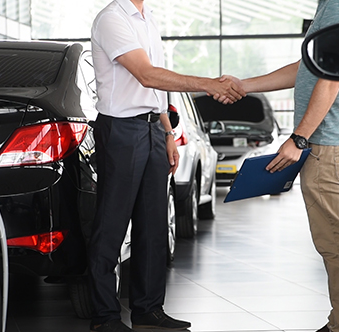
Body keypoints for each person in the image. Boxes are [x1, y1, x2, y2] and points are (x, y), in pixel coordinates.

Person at [88, 1, 245, 331]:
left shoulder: (149, 20)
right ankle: (105, 317)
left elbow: (159, 85)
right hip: (121, 129)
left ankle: (148, 308)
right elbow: (146, 75)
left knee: (154, 223)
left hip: (151, 129)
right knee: (112, 224)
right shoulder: (112, 19)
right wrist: (208, 84)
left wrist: (168, 132)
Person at [227, 1, 339, 331]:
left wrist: (299, 138)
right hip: (331, 141)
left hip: (328, 143)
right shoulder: (333, 6)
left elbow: (333, 78)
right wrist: (244, 86)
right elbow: (307, 68)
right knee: (335, 242)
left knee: (338, 243)